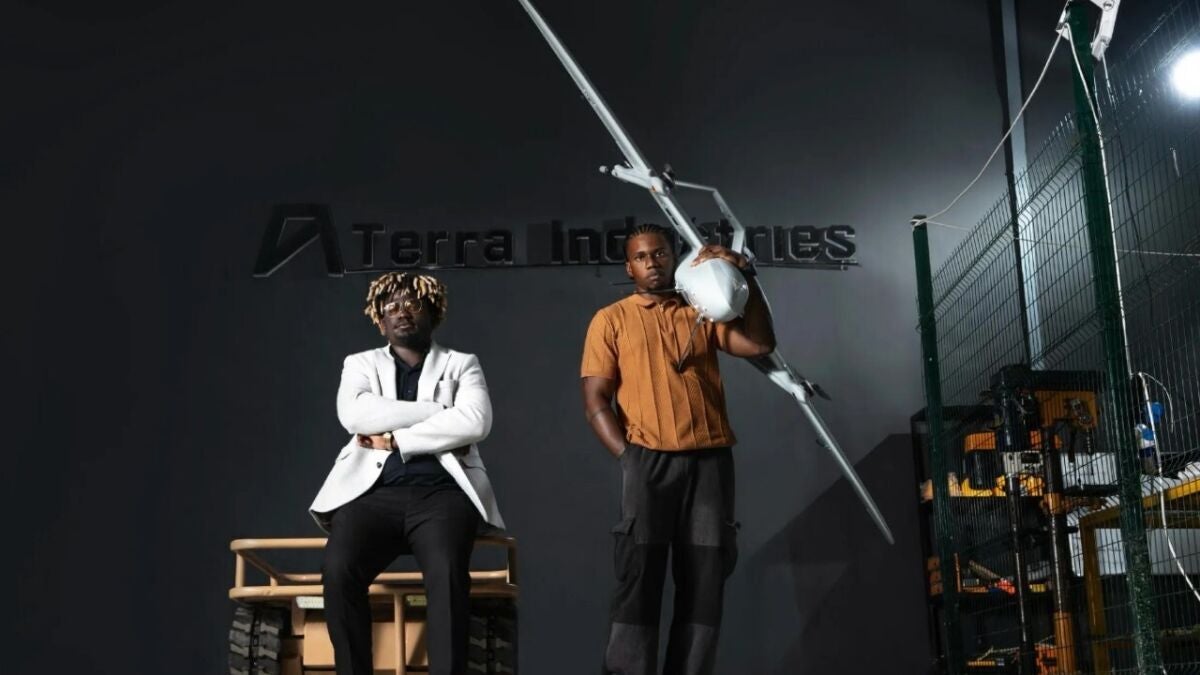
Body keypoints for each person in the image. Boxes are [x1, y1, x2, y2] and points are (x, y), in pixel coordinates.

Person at [581, 224, 776, 675]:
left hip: (710, 462)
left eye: (660, 253)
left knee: (706, 579)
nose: (652, 262)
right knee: (640, 575)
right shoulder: (611, 319)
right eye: (641, 257)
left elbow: (760, 343)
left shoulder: (703, 312)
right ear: (629, 267)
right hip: (648, 462)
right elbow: (595, 401)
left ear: (674, 257)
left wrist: (745, 277)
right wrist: (629, 459)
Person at [310, 272, 504, 675]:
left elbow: (476, 421)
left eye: (412, 304)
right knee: (338, 570)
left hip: (443, 496)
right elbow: (355, 415)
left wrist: (396, 439)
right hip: (371, 494)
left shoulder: (461, 364)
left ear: (432, 313)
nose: (402, 312)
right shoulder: (360, 364)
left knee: (448, 575)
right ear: (380, 321)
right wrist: (437, 412)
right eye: (392, 307)